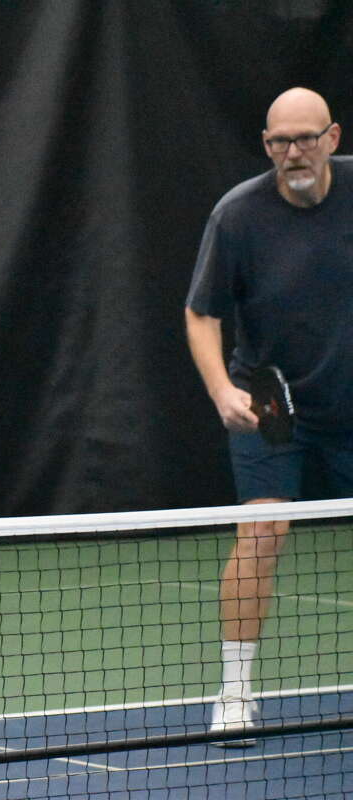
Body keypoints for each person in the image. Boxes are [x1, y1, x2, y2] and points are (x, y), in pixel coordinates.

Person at [185, 87, 353, 743]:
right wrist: (222, 389)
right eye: (281, 141)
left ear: (332, 138)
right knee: (261, 534)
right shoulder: (239, 217)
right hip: (272, 402)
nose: (294, 153)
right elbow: (202, 313)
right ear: (266, 146)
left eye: (306, 138)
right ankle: (234, 693)